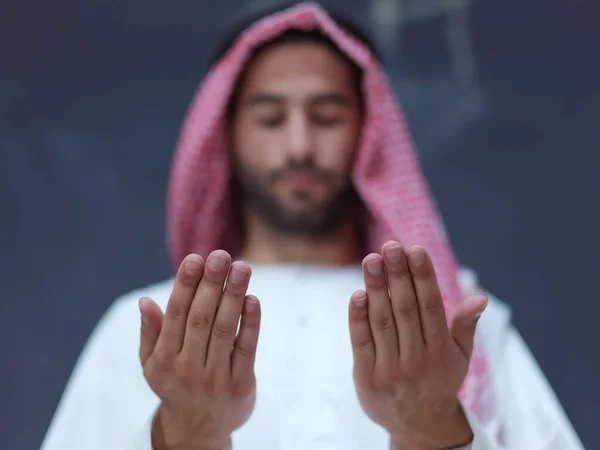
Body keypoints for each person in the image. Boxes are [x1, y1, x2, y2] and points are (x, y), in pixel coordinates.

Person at [41, 2, 584, 449]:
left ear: (370, 135)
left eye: (326, 117)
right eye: (270, 118)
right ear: (224, 137)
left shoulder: (452, 322)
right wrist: (185, 433)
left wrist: (432, 427)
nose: (299, 145)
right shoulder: (146, 332)